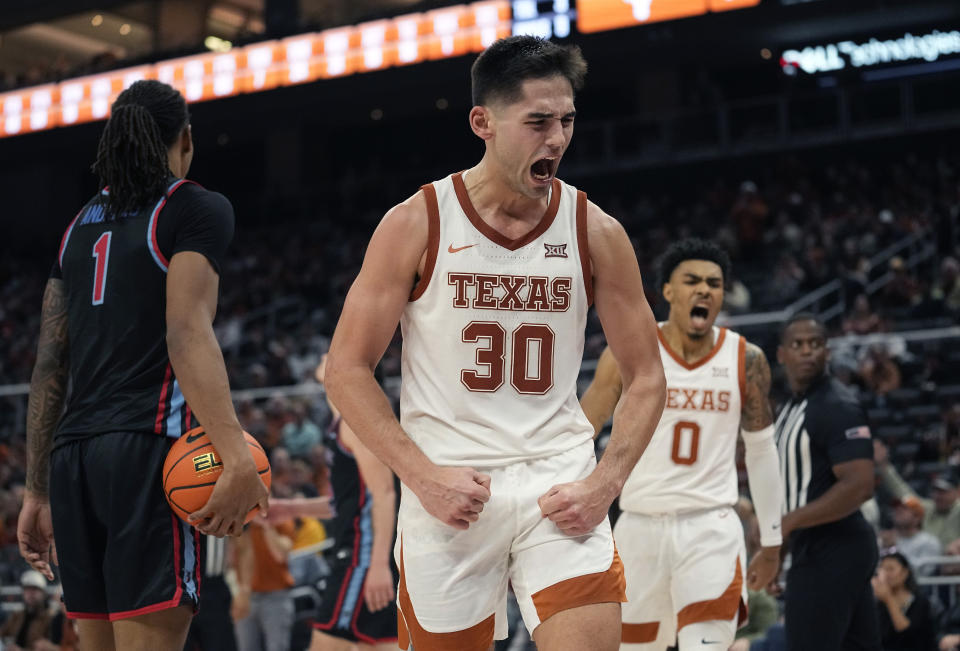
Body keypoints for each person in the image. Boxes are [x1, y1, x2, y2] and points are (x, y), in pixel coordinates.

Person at [325, 35, 666, 651]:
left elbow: (645, 376)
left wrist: (606, 482)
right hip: (450, 490)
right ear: (482, 122)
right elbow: (345, 370)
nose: (557, 139)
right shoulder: (417, 222)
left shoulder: (596, 230)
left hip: (560, 489)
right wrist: (421, 477)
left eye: (566, 121)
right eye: (537, 122)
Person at [17, 79, 269, 651]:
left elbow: (48, 364)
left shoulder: (76, 228)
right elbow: (185, 331)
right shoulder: (192, 206)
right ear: (185, 138)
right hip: (146, 450)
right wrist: (234, 456)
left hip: (73, 461)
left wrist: (37, 490)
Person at [580, 238, 783, 650]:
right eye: (691, 280)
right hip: (638, 526)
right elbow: (583, 427)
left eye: (714, 282)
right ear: (668, 292)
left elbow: (762, 452)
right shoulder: (630, 350)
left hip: (711, 526)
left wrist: (773, 540)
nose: (705, 289)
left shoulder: (747, 359)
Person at [774, 313, 880, 651]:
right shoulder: (792, 405)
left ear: (828, 352)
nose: (807, 351)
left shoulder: (838, 405)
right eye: (798, 344)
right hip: (818, 547)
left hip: (834, 548)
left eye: (815, 344)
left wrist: (787, 524)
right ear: (782, 354)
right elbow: (794, 486)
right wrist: (781, 546)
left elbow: (859, 485)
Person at [308, 354, 397, 651]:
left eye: (331, 353)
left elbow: (384, 494)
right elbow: (351, 500)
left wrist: (379, 565)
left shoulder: (359, 422)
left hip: (362, 557)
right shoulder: (347, 419)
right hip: (359, 553)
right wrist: (291, 509)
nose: (324, 357)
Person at [875, 440, 960, 549]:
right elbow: (902, 491)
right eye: (936, 490)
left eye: (944, 491)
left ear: (957, 492)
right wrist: (883, 465)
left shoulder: (958, 508)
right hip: (928, 560)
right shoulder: (928, 508)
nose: (938, 495)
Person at [233, 515, 296, 651]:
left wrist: (267, 526)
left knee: (277, 647)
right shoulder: (239, 520)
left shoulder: (281, 517)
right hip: (246, 596)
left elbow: (280, 555)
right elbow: (231, 559)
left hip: (276, 596)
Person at [871, 551, 936, 651]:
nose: (885, 574)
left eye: (890, 569)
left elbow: (906, 632)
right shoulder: (879, 604)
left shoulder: (920, 602)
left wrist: (888, 598)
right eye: (882, 569)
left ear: (905, 573)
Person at [0, 570, 53, 650]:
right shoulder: (18, 614)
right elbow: (3, 633)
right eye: (27, 589)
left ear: (43, 593)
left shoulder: (50, 617)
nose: (30, 593)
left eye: (34, 589)